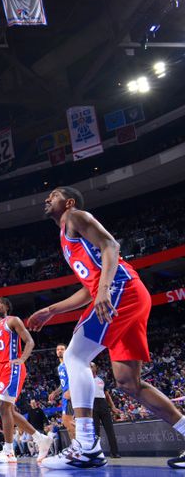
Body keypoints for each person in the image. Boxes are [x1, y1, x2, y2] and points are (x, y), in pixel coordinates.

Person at [28, 186, 185, 470]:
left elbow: (111, 246)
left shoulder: (75, 217)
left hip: (121, 289)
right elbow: (89, 291)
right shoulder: (65, 239)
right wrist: (52, 309)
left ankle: (86, 446)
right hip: (128, 293)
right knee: (128, 383)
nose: (47, 198)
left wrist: (104, 290)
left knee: (74, 356)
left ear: (69, 202)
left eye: (54, 194)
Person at [0, 297, 54, 463]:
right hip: (1, 369)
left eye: (0, 302)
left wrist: (22, 359)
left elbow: (30, 341)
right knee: (9, 411)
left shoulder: (13, 320)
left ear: (6, 306)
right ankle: (40, 438)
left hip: (12, 366)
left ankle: (9, 451)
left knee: (3, 407)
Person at [91, 362, 120, 458]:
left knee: (110, 429)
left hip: (103, 403)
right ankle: (96, 454)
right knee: (95, 431)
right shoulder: (85, 381)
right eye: (89, 366)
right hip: (92, 405)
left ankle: (114, 452)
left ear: (96, 368)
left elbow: (107, 395)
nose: (90, 367)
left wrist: (113, 407)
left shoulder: (101, 379)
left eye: (92, 366)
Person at [48, 343, 76, 444]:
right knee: (66, 422)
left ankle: (80, 446)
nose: (60, 351)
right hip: (65, 395)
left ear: (66, 351)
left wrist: (71, 391)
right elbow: (63, 383)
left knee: (68, 421)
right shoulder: (60, 366)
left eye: (62, 349)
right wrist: (55, 392)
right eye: (58, 349)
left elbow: (75, 377)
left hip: (71, 395)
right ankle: (75, 446)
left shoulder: (70, 363)